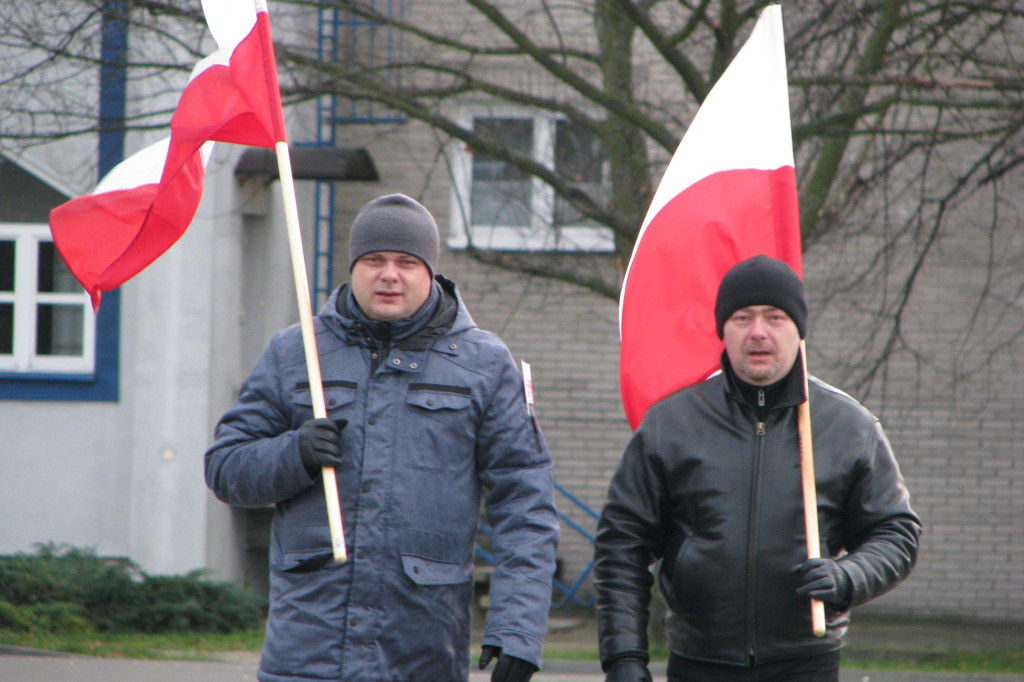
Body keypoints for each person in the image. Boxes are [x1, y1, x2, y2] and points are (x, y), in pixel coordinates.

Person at [205, 193, 560, 682]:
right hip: (306, 652)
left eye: (406, 262)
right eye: (374, 260)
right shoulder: (297, 351)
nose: (389, 274)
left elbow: (525, 505)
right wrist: (295, 454)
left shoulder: (484, 365)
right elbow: (225, 468)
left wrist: (517, 631)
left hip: (420, 655)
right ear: (354, 267)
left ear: (429, 271)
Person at [594, 255, 922, 682]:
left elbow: (896, 532)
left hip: (806, 663)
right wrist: (623, 656)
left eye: (775, 316)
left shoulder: (849, 428)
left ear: (798, 330)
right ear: (722, 331)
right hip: (699, 662)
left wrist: (848, 578)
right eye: (742, 317)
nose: (758, 332)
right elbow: (622, 544)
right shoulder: (671, 426)